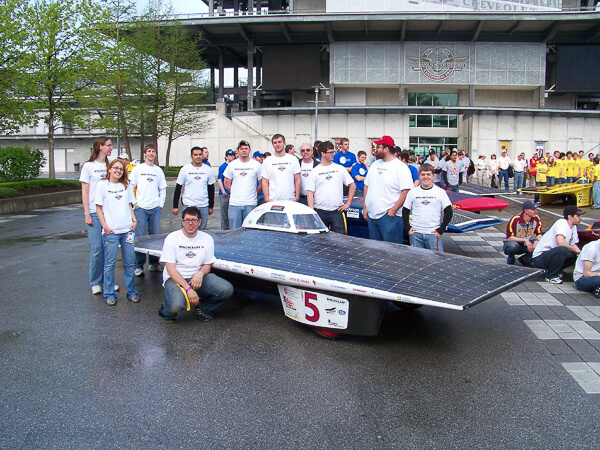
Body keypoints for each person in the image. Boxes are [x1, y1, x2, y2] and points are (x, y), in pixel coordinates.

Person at [158, 207, 234, 323]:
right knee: (177, 304)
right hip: (175, 279)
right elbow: (171, 269)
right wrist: (188, 289)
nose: (190, 223)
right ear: (182, 221)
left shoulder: (207, 239)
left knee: (226, 289)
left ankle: (204, 309)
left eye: (194, 220)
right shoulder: (172, 238)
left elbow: (207, 265)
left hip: (196, 279)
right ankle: (167, 311)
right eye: (187, 220)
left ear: (199, 222)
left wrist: (200, 273)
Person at [95, 159, 139, 306]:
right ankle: (109, 294)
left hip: (127, 230)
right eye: (116, 168)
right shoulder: (102, 185)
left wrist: (134, 221)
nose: (118, 171)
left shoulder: (126, 185)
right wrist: (105, 227)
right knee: (109, 264)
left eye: (121, 169)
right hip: (111, 232)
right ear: (109, 169)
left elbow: (129, 205)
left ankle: (132, 293)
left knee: (129, 264)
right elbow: (99, 209)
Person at [362, 135, 413, 243]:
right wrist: (365, 207)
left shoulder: (400, 167)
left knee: (391, 252)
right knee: (376, 250)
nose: (376, 149)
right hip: (372, 215)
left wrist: (393, 211)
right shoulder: (375, 165)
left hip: (389, 217)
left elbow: (406, 191)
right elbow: (367, 186)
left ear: (386, 149)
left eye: (378, 147)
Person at [80, 137, 113, 295]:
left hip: (109, 212)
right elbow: (85, 191)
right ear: (100, 147)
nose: (111, 148)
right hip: (94, 211)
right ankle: (95, 281)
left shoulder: (110, 165)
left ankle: (108, 282)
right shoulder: (88, 166)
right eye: (108, 145)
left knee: (109, 249)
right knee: (96, 248)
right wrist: (87, 213)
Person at [129, 144, 168, 276]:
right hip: (141, 208)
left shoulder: (158, 171)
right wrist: (135, 203)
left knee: (154, 237)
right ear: (144, 154)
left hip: (154, 208)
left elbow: (163, 188)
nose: (151, 153)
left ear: (156, 154)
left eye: (153, 151)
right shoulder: (138, 169)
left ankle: (154, 263)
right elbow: (130, 186)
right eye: (149, 151)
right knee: (139, 238)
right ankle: (139, 265)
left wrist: (160, 204)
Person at [402, 163, 453, 252]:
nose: (425, 177)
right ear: (420, 176)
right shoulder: (412, 192)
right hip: (415, 234)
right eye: (423, 174)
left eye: (428, 174)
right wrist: (407, 227)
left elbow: (449, 211)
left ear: (433, 176)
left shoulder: (440, 192)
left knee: (436, 261)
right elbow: (405, 210)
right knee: (417, 261)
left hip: (433, 234)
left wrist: (441, 229)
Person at [307, 141, 355, 234]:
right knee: (319, 241)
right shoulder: (315, 171)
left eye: (333, 152)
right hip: (319, 211)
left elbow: (352, 185)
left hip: (336, 211)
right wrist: (312, 212)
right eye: (330, 152)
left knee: (339, 240)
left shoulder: (340, 168)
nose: (333, 154)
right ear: (323, 154)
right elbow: (310, 193)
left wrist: (348, 203)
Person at [532, 205, 584, 284]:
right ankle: (551, 276)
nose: (580, 218)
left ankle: (555, 270)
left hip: (552, 256)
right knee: (563, 249)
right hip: (540, 257)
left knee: (574, 255)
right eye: (578, 216)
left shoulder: (573, 227)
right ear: (570, 217)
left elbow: (573, 244)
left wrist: (580, 253)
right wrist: (574, 249)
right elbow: (561, 243)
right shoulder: (561, 223)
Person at [172, 146, 216, 231]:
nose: (198, 157)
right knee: (187, 230)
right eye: (195, 155)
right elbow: (178, 188)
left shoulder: (208, 169)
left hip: (203, 205)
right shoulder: (185, 169)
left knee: (202, 230)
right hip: (188, 204)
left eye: (200, 154)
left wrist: (211, 206)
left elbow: (211, 189)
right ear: (191, 156)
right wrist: (175, 206)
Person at [224, 140, 263, 229]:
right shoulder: (232, 165)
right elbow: (226, 183)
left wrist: (253, 193)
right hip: (235, 204)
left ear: (249, 150)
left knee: (250, 232)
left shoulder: (256, 165)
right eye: (242, 149)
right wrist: (235, 192)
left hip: (250, 203)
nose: (244, 150)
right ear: (238, 151)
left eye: (246, 148)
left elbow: (261, 184)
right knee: (234, 231)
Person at [261, 134, 301, 202]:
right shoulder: (267, 161)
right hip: (273, 200)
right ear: (273, 145)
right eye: (275, 142)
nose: (277, 144)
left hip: (290, 200)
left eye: (279, 142)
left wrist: (297, 196)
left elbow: (297, 179)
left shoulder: (293, 159)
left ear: (284, 143)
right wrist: (267, 198)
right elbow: (265, 181)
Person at [503, 200, 543, 266]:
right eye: (533, 210)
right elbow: (509, 238)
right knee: (513, 246)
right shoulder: (515, 219)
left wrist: (537, 241)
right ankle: (511, 260)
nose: (536, 211)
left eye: (536, 209)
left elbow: (539, 234)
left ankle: (524, 260)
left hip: (526, 244)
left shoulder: (536, 218)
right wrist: (525, 240)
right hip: (512, 243)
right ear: (526, 211)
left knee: (541, 245)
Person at [217, 149, 236, 230]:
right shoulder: (223, 166)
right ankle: (224, 229)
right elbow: (219, 179)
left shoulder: (235, 165)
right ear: (226, 156)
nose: (232, 157)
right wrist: (223, 191)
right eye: (230, 155)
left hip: (233, 193)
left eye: (233, 155)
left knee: (232, 214)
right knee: (224, 214)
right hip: (225, 193)